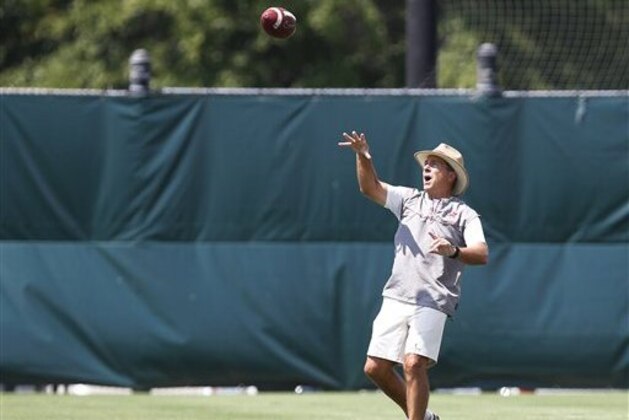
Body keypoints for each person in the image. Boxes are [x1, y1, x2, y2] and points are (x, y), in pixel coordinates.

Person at [338, 131, 489, 420]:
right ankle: (425, 417)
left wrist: (453, 251)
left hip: (433, 299)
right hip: (397, 294)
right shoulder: (408, 199)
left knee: (413, 363)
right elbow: (369, 187)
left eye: (434, 164)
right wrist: (363, 156)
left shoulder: (465, 215)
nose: (427, 168)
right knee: (375, 368)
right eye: (426, 164)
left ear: (451, 175)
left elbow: (481, 253)